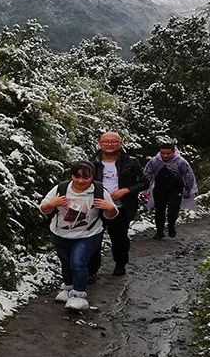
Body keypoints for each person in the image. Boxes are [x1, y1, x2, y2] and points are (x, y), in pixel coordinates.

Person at [39, 161, 118, 310]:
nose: (81, 181)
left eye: (86, 178)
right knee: (66, 262)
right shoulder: (61, 188)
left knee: (78, 262)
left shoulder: (99, 191)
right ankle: (68, 288)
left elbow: (110, 215)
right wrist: (52, 204)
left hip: (88, 234)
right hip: (60, 233)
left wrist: (110, 209)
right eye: (77, 177)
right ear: (71, 176)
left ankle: (79, 295)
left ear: (92, 177)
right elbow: (44, 209)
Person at [89, 132, 147, 277]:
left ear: (120, 143)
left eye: (114, 141)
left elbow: (145, 182)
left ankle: (120, 263)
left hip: (121, 207)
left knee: (120, 239)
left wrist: (126, 190)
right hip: (96, 207)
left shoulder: (131, 162)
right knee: (93, 239)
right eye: (106, 141)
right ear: (99, 143)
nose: (110, 144)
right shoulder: (92, 162)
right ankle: (92, 270)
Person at [143, 139, 198, 239]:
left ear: (173, 152)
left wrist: (188, 190)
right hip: (159, 189)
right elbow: (147, 174)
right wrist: (146, 190)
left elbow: (188, 176)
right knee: (159, 211)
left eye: (168, 153)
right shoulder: (154, 161)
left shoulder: (181, 162)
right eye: (163, 153)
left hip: (176, 189)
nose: (165, 156)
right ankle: (159, 232)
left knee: (173, 210)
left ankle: (171, 226)